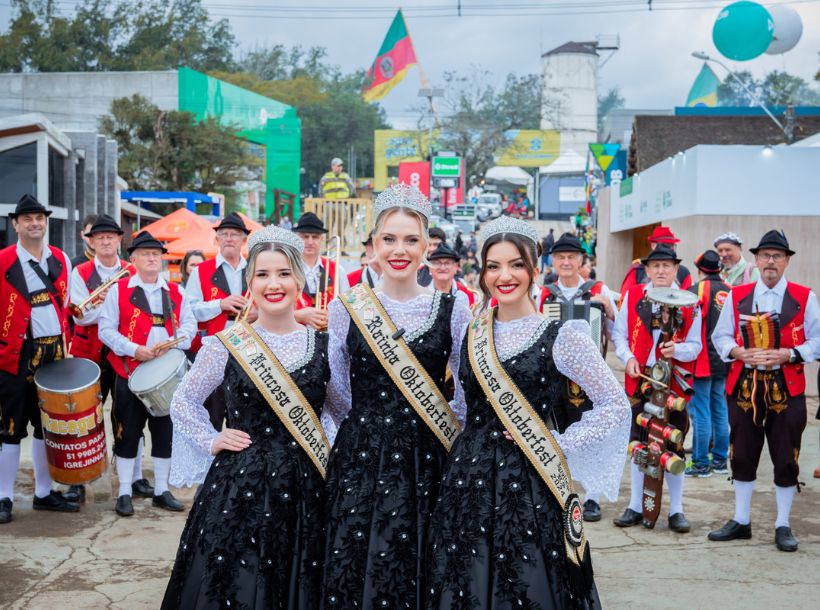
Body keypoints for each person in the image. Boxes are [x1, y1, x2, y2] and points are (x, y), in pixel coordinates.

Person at [426, 216, 630, 609]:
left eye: (516, 264)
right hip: (468, 483)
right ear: (482, 273)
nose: (505, 276)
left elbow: (614, 403)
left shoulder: (562, 336)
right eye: (494, 266)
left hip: (531, 481)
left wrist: (559, 441)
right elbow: (465, 410)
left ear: (535, 269)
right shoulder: (472, 332)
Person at [319, 183, 471, 609]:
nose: (399, 250)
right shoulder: (346, 306)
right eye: (389, 239)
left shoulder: (453, 308)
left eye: (411, 239)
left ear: (427, 246)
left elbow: (464, 388)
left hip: (431, 457)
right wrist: (369, 425)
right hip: (362, 458)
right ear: (373, 246)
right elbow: (336, 390)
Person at [163, 225, 329, 608]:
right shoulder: (225, 345)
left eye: (284, 273)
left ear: (299, 279)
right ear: (249, 282)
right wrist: (211, 439)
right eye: (263, 274)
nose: (274, 284)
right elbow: (184, 401)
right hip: (240, 489)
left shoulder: (322, 344)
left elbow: (344, 410)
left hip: (306, 488)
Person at [710, 230, 820, 552]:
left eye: (777, 256)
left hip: (787, 388)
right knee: (742, 454)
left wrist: (790, 354)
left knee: (786, 458)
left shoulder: (804, 296)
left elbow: (817, 340)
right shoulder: (737, 294)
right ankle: (741, 520)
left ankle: (782, 524)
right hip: (745, 386)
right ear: (756, 260)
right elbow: (721, 338)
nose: (770, 262)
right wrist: (739, 353)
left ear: (786, 261)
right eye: (765, 256)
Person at [98, 231, 196, 517]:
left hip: (166, 375)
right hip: (130, 371)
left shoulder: (176, 292)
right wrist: (133, 349)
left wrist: (175, 344)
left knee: (165, 433)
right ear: (134, 259)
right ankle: (125, 491)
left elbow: (190, 327)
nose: (152, 258)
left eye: (156, 253)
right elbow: (105, 330)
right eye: (146, 253)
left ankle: (161, 489)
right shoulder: (119, 290)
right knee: (127, 432)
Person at [0, 194, 79, 524]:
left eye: (40, 218)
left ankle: (44, 493)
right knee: (8, 429)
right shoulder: (3, 260)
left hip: (54, 354)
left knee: (48, 427)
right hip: (15, 354)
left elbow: (69, 305)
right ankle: (3, 497)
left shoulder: (60, 259)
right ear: (15, 224)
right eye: (27, 218)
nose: (35, 223)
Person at [612, 245, 702, 533]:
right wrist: (628, 359)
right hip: (642, 380)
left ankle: (676, 510)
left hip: (673, 382)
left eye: (667, 266)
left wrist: (678, 349)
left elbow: (696, 346)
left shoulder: (691, 301)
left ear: (676, 269)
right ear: (647, 270)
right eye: (656, 266)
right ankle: (636, 505)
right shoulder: (634, 295)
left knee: (673, 444)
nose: (661, 271)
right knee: (639, 443)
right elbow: (620, 336)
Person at [68, 214, 150, 505]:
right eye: (99, 237)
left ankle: (136, 475)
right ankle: (77, 480)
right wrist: (110, 309)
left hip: (123, 353)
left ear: (119, 240)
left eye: (111, 237)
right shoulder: (79, 272)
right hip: (88, 353)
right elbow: (80, 313)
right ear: (90, 242)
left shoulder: (132, 270)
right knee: (84, 418)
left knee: (131, 415)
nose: (105, 241)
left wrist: (103, 306)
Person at [542, 232, 619, 522]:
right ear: (553, 261)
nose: (566, 262)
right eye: (560, 257)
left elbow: (616, 331)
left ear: (581, 260)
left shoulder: (598, 289)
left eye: (571, 257)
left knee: (593, 432)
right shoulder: (544, 294)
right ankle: (563, 491)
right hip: (555, 375)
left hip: (591, 377)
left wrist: (608, 309)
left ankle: (592, 497)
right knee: (560, 430)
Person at [185, 213, 252, 429]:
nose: (229, 238)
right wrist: (219, 305)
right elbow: (190, 310)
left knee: (243, 417)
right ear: (217, 239)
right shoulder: (201, 271)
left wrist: (258, 314)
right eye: (224, 234)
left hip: (249, 349)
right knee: (211, 414)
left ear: (244, 239)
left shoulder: (255, 269)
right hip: (213, 350)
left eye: (235, 234)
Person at [685, 251, 731, 478]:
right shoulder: (731, 290)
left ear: (700, 269)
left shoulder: (696, 290)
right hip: (724, 357)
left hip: (702, 359)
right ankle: (721, 461)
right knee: (720, 409)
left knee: (701, 412)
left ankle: (701, 463)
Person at [292, 212, 350, 330]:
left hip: (329, 337)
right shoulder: (286, 269)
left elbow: (348, 307)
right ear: (296, 238)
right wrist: (297, 316)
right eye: (304, 236)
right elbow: (272, 312)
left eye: (315, 237)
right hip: (295, 338)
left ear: (322, 239)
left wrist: (334, 316)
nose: (310, 242)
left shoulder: (338, 269)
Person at [620, 225, 693, 295]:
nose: (660, 271)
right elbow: (625, 297)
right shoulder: (637, 270)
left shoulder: (684, 272)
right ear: (653, 245)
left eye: (671, 245)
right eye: (665, 245)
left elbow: (688, 303)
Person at [428, 243, 477, 308]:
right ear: (430, 268)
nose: (442, 268)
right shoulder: (421, 296)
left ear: (456, 267)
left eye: (447, 263)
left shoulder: (469, 295)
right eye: (437, 263)